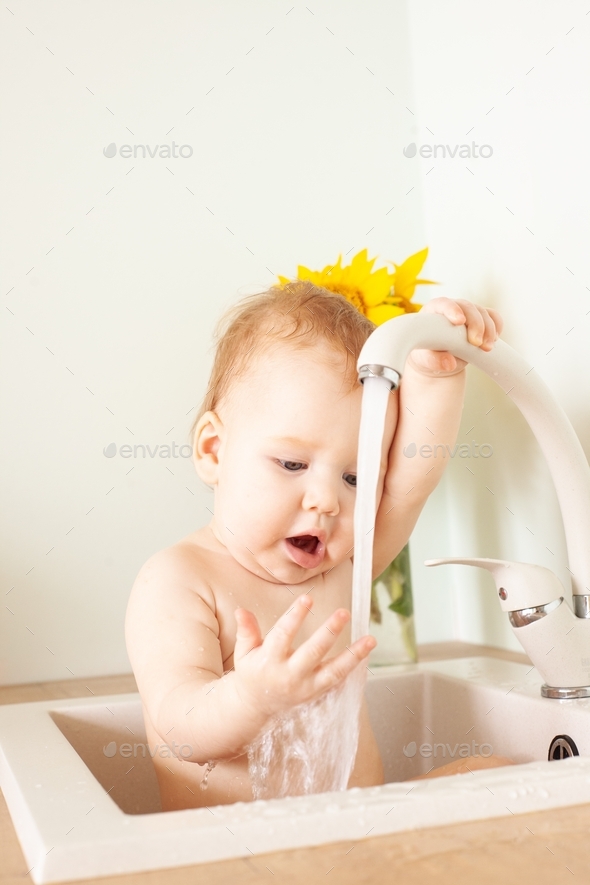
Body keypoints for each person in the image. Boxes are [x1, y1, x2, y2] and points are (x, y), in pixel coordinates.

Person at [125, 281, 505, 810]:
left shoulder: (343, 568)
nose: (327, 499)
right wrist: (251, 697)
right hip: (232, 856)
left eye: (354, 477)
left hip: (355, 839)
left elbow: (412, 481)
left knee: (498, 773)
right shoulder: (179, 579)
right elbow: (181, 729)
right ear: (214, 450)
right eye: (292, 464)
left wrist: (433, 372)